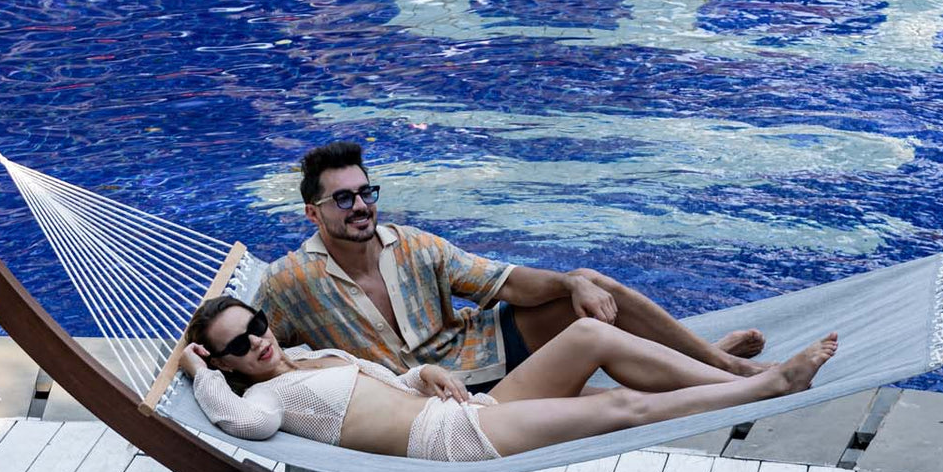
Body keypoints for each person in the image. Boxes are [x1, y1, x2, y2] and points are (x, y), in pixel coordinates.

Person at [256, 141, 773, 394]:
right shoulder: (290, 280)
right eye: (343, 200)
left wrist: (572, 282)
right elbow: (251, 348)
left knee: (588, 285)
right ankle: (709, 366)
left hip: (480, 349)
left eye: (365, 193)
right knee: (592, 374)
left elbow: (505, 282)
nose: (361, 207)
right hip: (433, 396)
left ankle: (718, 364)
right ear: (313, 212)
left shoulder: (413, 245)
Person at [179, 295, 837, 462]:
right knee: (620, 408)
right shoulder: (262, 397)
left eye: (256, 324)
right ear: (225, 360)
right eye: (237, 344)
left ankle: (714, 369)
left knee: (588, 336)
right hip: (453, 441)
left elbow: (384, 394)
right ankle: (765, 387)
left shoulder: (312, 356)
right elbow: (243, 424)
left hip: (469, 407)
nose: (257, 341)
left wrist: (424, 374)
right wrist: (192, 367)